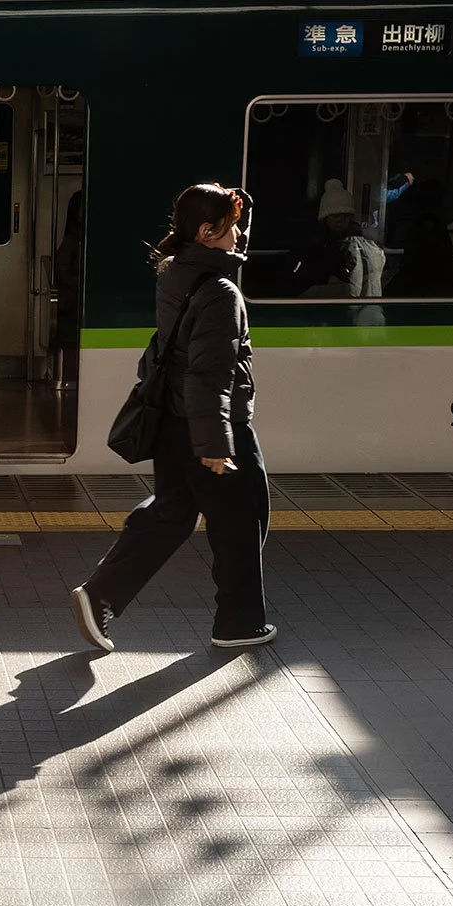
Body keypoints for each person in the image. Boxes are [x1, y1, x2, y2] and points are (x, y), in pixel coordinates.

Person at [71, 184, 274, 654]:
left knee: (173, 512)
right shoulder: (221, 292)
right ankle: (239, 621)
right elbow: (208, 374)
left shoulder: (177, 270)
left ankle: (101, 594)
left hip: (173, 420)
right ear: (207, 231)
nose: (240, 235)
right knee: (242, 518)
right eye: (232, 226)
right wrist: (216, 444)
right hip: (212, 426)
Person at [296, 179, 386, 325]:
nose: (341, 221)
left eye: (346, 216)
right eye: (336, 216)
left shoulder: (363, 244)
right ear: (325, 218)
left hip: (353, 314)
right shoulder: (316, 244)